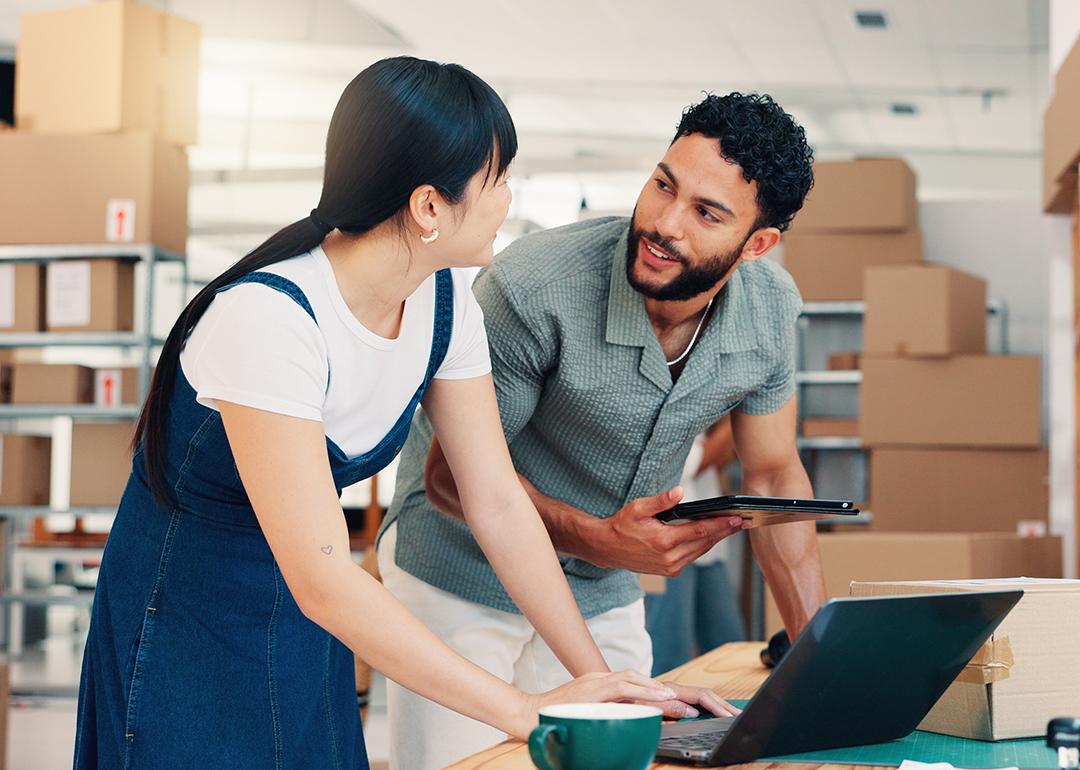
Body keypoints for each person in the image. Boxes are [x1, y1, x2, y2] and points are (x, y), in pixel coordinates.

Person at [73, 56, 683, 770]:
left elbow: (495, 502)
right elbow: (326, 582)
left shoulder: (444, 304)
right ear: (429, 206)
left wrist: (598, 684)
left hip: (306, 614)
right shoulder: (270, 319)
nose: (508, 202)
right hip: (187, 618)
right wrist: (522, 711)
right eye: (499, 180)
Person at [382, 91, 826, 770]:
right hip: (458, 567)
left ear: (757, 244)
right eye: (662, 185)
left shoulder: (768, 315)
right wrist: (596, 534)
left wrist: (816, 668)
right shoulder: (536, 285)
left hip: (600, 584)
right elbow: (452, 479)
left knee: (629, 756)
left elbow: (771, 476)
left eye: (706, 213)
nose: (664, 223)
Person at [644, 417, 748, 675]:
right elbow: (691, 464)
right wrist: (740, 420)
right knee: (669, 653)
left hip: (706, 544)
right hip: (671, 537)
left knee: (729, 645)